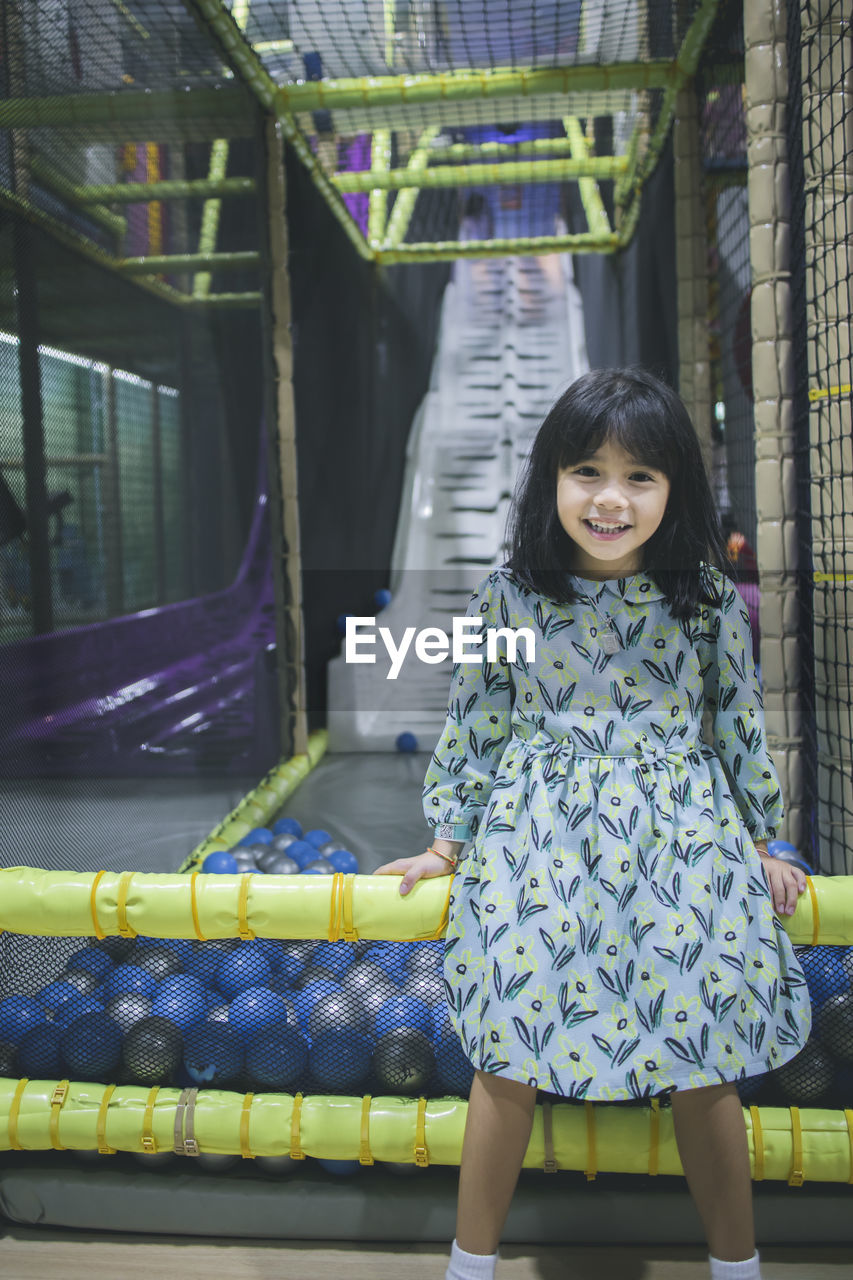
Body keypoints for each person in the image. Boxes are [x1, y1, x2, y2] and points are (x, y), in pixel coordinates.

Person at [375, 368, 811, 1280]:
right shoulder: (510, 593)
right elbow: (476, 720)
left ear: (672, 488)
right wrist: (447, 840)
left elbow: (735, 721)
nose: (610, 498)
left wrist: (766, 838)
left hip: (677, 836)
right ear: (551, 479)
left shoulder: (700, 595)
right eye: (587, 472)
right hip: (539, 836)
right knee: (506, 1057)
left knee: (703, 1057)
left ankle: (738, 1267)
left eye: (639, 477)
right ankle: (470, 1264)